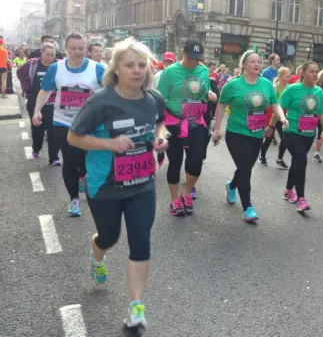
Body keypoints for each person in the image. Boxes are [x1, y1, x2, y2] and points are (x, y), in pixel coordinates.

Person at [67, 38, 168, 330]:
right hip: (105, 186)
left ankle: (136, 307)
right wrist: (108, 143)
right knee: (109, 237)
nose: (137, 71)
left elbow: (160, 123)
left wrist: (161, 138)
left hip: (142, 184)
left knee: (141, 241)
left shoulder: (153, 99)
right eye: (129, 65)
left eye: (141, 65)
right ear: (117, 69)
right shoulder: (102, 100)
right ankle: (97, 253)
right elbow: (74, 137)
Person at [32, 32, 105, 217]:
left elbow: (110, 93)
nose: (78, 52)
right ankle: (74, 199)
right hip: (63, 122)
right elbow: (45, 91)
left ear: (86, 49)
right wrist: (37, 110)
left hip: (90, 125)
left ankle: (83, 174)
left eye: (81, 48)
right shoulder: (56, 69)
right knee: (69, 160)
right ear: (66, 49)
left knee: (87, 161)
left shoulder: (97, 69)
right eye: (73, 48)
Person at [213, 49, 287, 222]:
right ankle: (247, 208)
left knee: (245, 167)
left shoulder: (266, 84)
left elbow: (274, 105)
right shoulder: (232, 85)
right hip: (236, 133)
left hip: (256, 133)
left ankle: (231, 186)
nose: (256, 64)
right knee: (246, 169)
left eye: (258, 61)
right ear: (244, 65)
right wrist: (216, 129)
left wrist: (281, 117)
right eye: (252, 61)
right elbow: (220, 107)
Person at [157, 40, 216, 216]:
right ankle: (174, 199)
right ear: (183, 53)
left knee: (196, 161)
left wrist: (209, 95)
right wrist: (158, 127)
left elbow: (202, 91)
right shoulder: (169, 72)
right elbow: (159, 99)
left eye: (197, 59)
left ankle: (186, 192)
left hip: (196, 122)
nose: (194, 62)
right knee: (175, 161)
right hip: (174, 122)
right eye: (191, 58)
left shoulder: (203, 70)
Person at [269, 61, 323, 211]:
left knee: (297, 162)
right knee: (301, 160)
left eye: (316, 71)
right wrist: (271, 126)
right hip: (292, 131)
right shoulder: (292, 90)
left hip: (309, 133)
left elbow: (322, 112)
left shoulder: (318, 92)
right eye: (311, 71)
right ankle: (301, 198)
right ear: (302, 72)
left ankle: (288, 190)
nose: (315, 74)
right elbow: (279, 108)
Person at [16, 43, 61, 165]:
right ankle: (36, 147)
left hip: (54, 104)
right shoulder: (33, 64)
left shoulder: (59, 65)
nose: (50, 57)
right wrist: (27, 88)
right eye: (47, 54)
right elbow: (20, 73)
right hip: (35, 103)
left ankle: (54, 157)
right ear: (41, 53)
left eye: (52, 55)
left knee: (54, 131)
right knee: (38, 130)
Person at [259, 67, 290, 168]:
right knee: (269, 138)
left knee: (285, 139)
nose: (289, 78)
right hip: (272, 115)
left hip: (282, 117)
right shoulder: (275, 87)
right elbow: (270, 103)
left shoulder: (289, 88)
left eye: (289, 76)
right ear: (281, 76)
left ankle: (279, 159)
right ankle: (262, 157)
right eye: (287, 76)